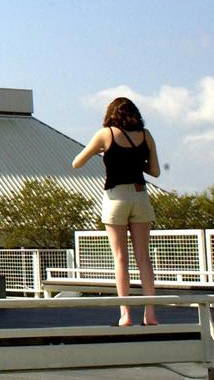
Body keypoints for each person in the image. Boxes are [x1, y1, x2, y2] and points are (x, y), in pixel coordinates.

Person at [72, 95, 161, 326]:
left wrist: (104, 153)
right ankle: (150, 314)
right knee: (143, 258)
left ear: (111, 114)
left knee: (120, 258)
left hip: (116, 197)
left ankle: (126, 315)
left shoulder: (106, 134)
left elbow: (77, 162)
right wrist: (135, 162)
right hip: (141, 195)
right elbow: (155, 171)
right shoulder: (146, 135)